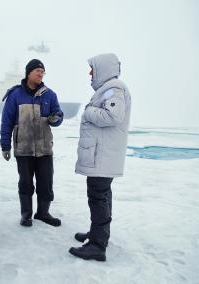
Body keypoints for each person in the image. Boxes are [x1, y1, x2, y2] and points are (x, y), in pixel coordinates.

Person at [69, 53, 131, 261]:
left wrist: (88, 112)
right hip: (102, 156)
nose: (90, 73)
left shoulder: (114, 89)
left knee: (98, 197)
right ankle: (98, 235)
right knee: (101, 196)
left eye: (93, 69)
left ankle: (97, 245)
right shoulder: (109, 89)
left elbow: (112, 116)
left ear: (103, 69)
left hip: (103, 157)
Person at [0, 59, 64, 227]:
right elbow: (6, 122)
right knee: (26, 184)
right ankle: (26, 215)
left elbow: (58, 116)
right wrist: (5, 146)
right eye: (37, 70)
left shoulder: (50, 95)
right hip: (24, 148)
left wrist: (56, 118)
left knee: (46, 184)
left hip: (44, 149)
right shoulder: (15, 95)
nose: (41, 73)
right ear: (29, 73)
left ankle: (43, 213)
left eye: (43, 71)